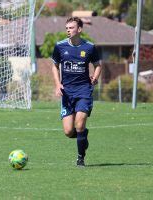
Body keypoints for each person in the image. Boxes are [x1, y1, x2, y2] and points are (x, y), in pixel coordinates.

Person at [51, 17, 102, 167]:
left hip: (84, 91)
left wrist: (95, 78)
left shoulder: (89, 47)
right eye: (67, 28)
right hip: (67, 93)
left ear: (79, 29)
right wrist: (57, 84)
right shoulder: (59, 46)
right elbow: (54, 66)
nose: (68, 30)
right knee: (68, 131)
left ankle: (81, 158)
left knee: (79, 125)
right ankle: (82, 136)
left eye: (71, 28)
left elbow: (98, 65)